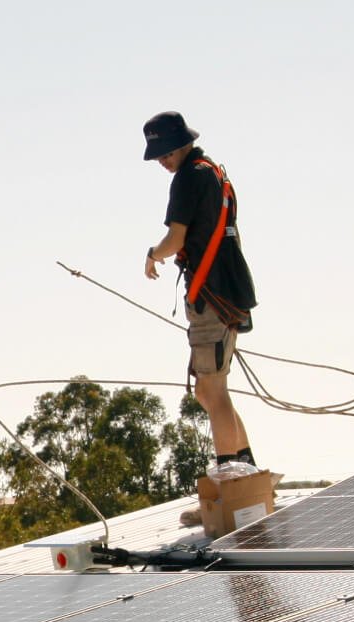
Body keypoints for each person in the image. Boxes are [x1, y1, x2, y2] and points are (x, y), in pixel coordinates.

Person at [140, 110, 260, 469]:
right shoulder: (212, 172)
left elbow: (175, 238)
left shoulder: (188, 179)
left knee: (210, 390)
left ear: (183, 143)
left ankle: (232, 481)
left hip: (211, 294)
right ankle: (245, 470)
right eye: (158, 155)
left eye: (167, 153)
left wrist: (152, 255)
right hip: (228, 289)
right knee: (212, 390)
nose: (163, 160)